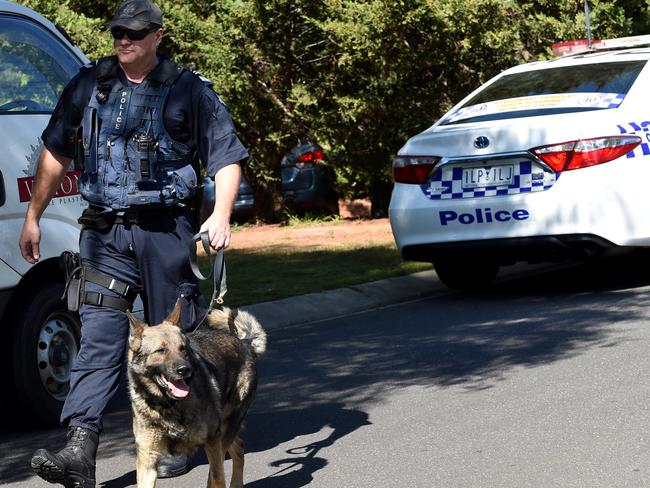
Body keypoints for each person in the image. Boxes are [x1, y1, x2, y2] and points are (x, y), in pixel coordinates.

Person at [19, 0, 247, 486]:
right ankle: (80, 449)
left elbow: (226, 157)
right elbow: (56, 153)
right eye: (119, 32)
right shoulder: (87, 86)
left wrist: (222, 214)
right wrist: (33, 216)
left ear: (158, 36)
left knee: (177, 343)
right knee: (99, 337)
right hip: (104, 233)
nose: (125, 39)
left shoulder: (188, 90)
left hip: (167, 233)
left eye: (136, 33)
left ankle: (182, 437)